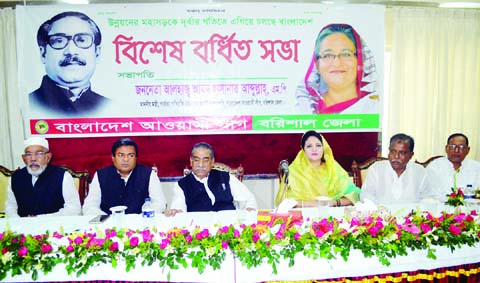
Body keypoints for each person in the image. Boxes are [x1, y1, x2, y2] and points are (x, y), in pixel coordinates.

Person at [29, 11, 109, 116]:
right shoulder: (28, 104)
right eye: (59, 41)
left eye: (82, 40)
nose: (71, 51)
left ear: (97, 53)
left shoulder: (109, 107)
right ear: (43, 53)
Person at [295, 23, 379, 114]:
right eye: (327, 55)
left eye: (346, 54)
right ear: (317, 64)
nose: (337, 63)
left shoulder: (372, 106)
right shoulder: (304, 108)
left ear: (360, 61)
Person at [164, 142, 257, 217]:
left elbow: (247, 199)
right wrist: (176, 212)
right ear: (191, 161)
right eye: (196, 160)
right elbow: (179, 207)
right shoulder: (182, 185)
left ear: (212, 162)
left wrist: (249, 210)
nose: (201, 165)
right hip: (199, 231)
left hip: (228, 226)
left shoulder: (225, 177)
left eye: (205, 160)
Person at [275, 130, 360, 207]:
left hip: (331, 216)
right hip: (302, 218)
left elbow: (354, 196)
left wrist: (333, 203)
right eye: (309, 146)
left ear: (324, 148)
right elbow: (282, 202)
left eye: (318, 145)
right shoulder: (293, 172)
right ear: (303, 150)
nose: (314, 149)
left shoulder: (333, 169)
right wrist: (316, 204)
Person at [82, 138, 166, 215]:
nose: (126, 159)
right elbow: (89, 205)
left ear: (136, 158)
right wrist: (107, 219)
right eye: (121, 155)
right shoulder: (101, 175)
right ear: (113, 158)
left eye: (131, 155)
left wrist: (141, 218)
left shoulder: (149, 174)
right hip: (109, 226)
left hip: (141, 224)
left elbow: (159, 203)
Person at [5, 137, 81, 217]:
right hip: (23, 226)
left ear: (48, 157)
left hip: (54, 225)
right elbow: (10, 206)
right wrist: (18, 222)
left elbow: (74, 208)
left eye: (39, 154)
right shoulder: (15, 178)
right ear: (24, 159)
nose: (33, 159)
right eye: (29, 154)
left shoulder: (62, 176)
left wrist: (42, 219)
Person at [360, 133, 427, 204]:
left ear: (411, 155)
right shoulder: (376, 169)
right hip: (381, 212)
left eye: (402, 153)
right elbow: (366, 195)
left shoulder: (420, 171)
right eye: (393, 151)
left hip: (412, 213)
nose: (396, 156)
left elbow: (427, 198)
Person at [423, 133, 480, 202]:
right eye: (452, 147)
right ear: (446, 148)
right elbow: (429, 194)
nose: (456, 150)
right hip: (441, 207)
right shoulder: (434, 167)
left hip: (470, 207)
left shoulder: (477, 167)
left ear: (468, 150)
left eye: (461, 147)